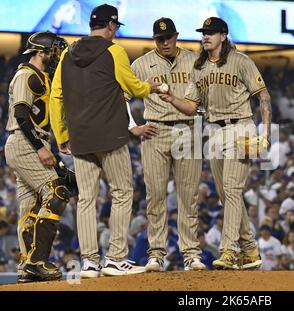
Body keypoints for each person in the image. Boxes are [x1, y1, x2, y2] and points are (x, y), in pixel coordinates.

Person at [49, 3, 162, 278]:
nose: (115, 32)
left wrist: (62, 135)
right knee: (122, 193)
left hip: (80, 138)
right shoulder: (115, 51)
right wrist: (152, 86)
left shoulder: (67, 53)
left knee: (86, 199)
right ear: (111, 25)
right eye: (115, 27)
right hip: (110, 136)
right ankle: (115, 258)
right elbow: (133, 88)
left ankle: (89, 263)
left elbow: (56, 97)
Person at [160, 17, 272, 270]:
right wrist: (171, 98)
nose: (205, 36)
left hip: (241, 127)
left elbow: (263, 96)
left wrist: (265, 134)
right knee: (226, 194)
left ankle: (229, 250)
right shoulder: (199, 67)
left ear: (223, 35)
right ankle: (251, 249)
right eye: (204, 33)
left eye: (211, 33)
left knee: (232, 190)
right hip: (214, 131)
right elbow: (191, 106)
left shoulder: (241, 61)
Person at [128, 17, 205, 272]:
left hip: (187, 128)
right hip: (155, 130)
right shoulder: (140, 64)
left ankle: (191, 253)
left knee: (188, 196)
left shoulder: (195, 60)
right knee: (155, 196)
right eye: (160, 39)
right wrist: (133, 127)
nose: (165, 42)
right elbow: (121, 97)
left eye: (169, 37)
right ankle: (156, 254)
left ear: (176, 36)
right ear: (154, 40)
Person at [5, 31, 69, 282]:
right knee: (57, 192)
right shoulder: (26, 75)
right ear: (41, 52)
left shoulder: (40, 75)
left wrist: (49, 147)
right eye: (53, 49)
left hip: (29, 142)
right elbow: (21, 115)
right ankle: (37, 261)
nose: (55, 54)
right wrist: (41, 148)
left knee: (30, 208)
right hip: (25, 141)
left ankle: (27, 265)